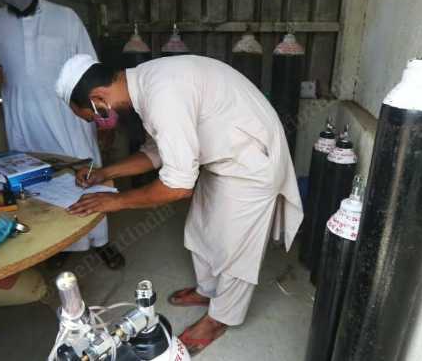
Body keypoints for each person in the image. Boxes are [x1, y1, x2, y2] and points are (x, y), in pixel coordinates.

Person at [54, 54, 303, 354]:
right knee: (202, 229)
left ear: (98, 98)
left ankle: (220, 318)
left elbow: (178, 186)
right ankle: (208, 291)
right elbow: (155, 152)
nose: (99, 123)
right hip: (223, 157)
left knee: (237, 248)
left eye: (92, 116)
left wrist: (115, 201)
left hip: (250, 161)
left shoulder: (162, 93)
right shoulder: (145, 85)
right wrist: (105, 173)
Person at [0, 0, 124, 269]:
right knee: (36, 183)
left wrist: (102, 120)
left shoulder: (65, 18)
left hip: (68, 118)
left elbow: (91, 69)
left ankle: (100, 240)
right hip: (23, 119)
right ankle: (54, 245)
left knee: (85, 175)